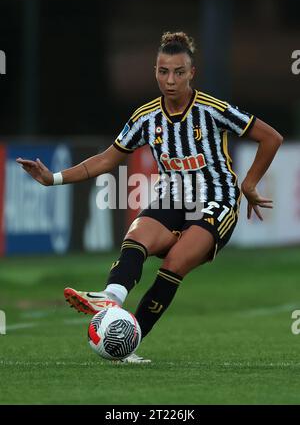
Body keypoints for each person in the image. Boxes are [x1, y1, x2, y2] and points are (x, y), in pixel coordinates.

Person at [17, 31, 283, 363]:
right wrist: (53, 178)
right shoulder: (145, 116)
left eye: (178, 72)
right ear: (155, 71)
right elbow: (105, 159)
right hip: (173, 198)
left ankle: (132, 338)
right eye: (163, 71)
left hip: (218, 199)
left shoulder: (213, 110)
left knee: (173, 264)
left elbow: (271, 137)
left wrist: (249, 184)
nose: (170, 80)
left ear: (191, 73)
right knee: (137, 235)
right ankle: (111, 297)